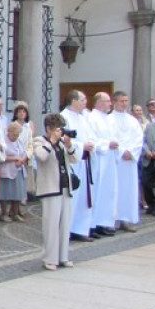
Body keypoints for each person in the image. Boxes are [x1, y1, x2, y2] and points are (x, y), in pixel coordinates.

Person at [34, 113, 79, 271]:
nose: (60, 132)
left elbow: (75, 159)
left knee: (65, 224)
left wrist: (68, 145)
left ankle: (63, 257)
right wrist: (52, 140)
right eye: (57, 129)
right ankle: (49, 258)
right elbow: (41, 156)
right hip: (50, 188)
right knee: (51, 225)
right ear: (49, 129)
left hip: (65, 187)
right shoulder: (39, 141)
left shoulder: (61, 143)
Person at [60, 90, 95, 241]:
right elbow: (62, 138)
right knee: (71, 197)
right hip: (72, 161)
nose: (85, 102)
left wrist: (91, 144)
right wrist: (82, 145)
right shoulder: (64, 117)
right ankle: (65, 230)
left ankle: (80, 228)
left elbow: (90, 135)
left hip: (84, 161)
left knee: (82, 198)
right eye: (83, 99)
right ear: (73, 101)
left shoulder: (83, 117)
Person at [87, 92, 118, 237]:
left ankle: (103, 222)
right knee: (97, 192)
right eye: (107, 101)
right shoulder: (91, 118)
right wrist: (107, 144)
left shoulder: (108, 119)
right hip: (98, 160)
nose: (110, 104)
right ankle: (92, 224)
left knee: (107, 192)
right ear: (98, 103)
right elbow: (91, 139)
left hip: (109, 161)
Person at [111, 91, 143, 232]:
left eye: (126, 100)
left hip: (129, 162)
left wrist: (131, 152)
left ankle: (126, 219)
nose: (124, 103)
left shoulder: (132, 120)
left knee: (128, 190)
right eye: (121, 101)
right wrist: (122, 151)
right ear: (114, 102)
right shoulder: (109, 120)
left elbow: (139, 138)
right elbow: (109, 138)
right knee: (113, 190)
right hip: (115, 161)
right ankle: (111, 219)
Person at [0, 122, 27, 222]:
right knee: (5, 193)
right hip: (7, 170)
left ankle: (14, 212)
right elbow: (1, 157)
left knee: (18, 192)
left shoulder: (19, 141)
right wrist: (15, 158)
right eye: (14, 134)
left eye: (17, 134)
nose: (16, 136)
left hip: (18, 169)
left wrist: (22, 160)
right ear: (9, 132)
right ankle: (4, 213)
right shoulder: (3, 142)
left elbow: (24, 152)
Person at [12, 101, 36, 216]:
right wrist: (18, 157)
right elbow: (12, 142)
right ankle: (14, 208)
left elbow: (31, 144)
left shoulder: (28, 128)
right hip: (15, 158)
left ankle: (22, 200)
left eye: (24, 112)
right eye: (19, 112)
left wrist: (26, 156)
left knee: (25, 182)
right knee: (16, 184)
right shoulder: (13, 126)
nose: (22, 114)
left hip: (25, 157)